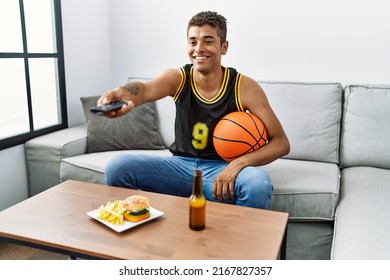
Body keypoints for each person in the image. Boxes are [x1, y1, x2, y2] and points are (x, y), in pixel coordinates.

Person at [97, 11, 290, 209]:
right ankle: (146, 221)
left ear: (224, 47)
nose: (198, 49)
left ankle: (234, 238)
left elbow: (281, 143)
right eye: (192, 42)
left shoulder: (244, 87)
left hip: (220, 170)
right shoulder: (178, 78)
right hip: (179, 167)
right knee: (118, 167)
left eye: (208, 41)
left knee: (257, 184)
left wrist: (238, 164)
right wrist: (121, 92)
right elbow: (144, 89)